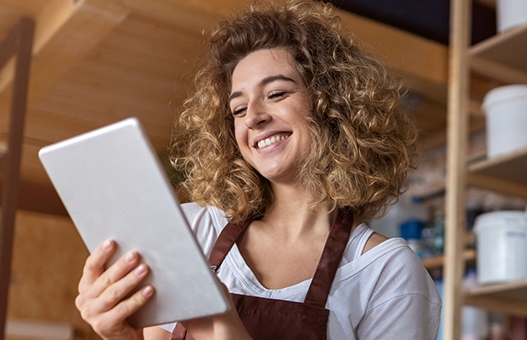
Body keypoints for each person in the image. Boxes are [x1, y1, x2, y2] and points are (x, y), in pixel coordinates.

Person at [74, 0, 442, 339]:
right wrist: (120, 335)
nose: (253, 117)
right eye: (238, 109)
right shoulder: (192, 232)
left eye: (277, 93)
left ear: (332, 104)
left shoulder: (385, 272)